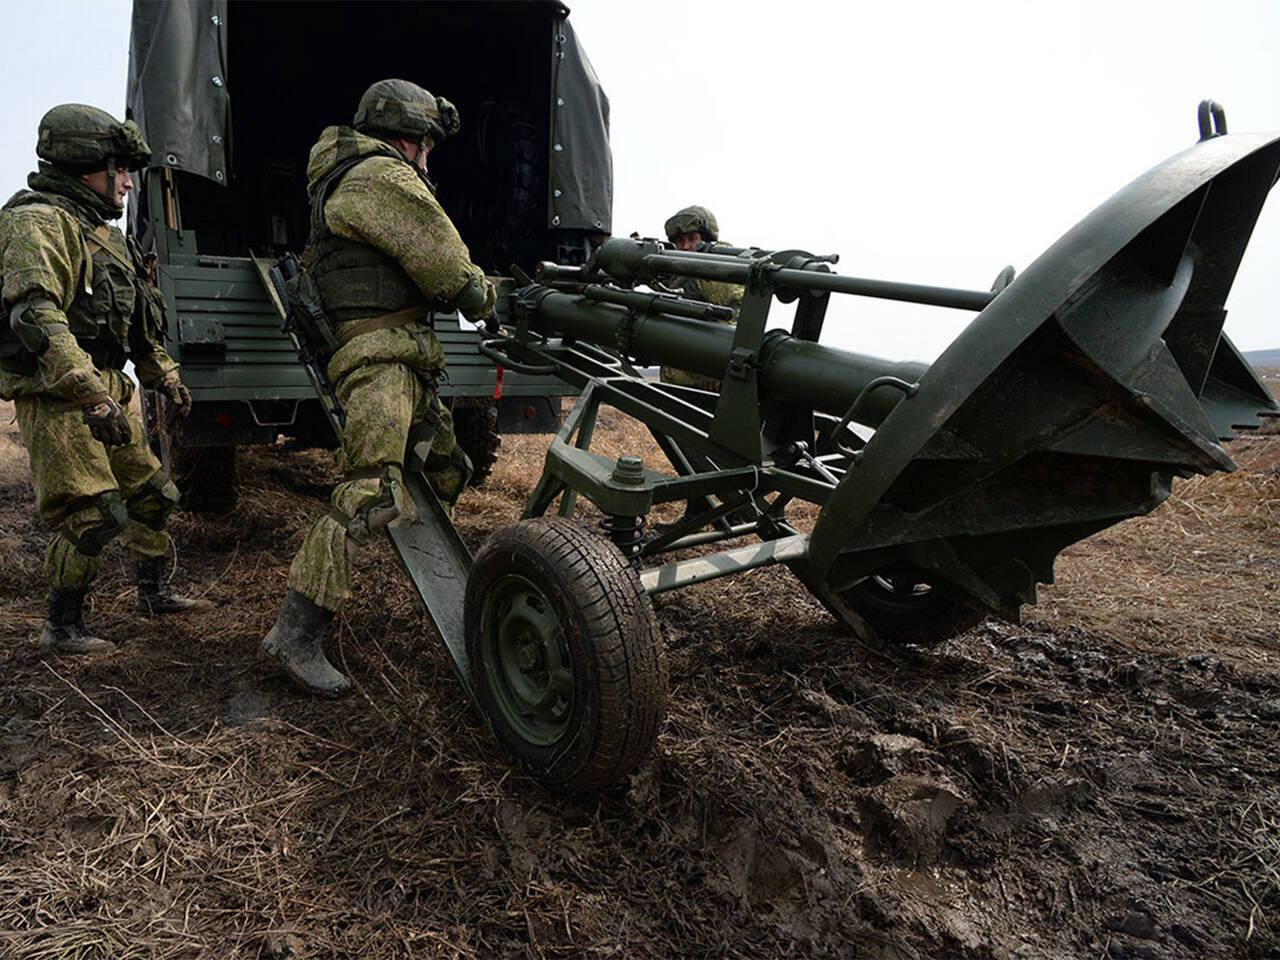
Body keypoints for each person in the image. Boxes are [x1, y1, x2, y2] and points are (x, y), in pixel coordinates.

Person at [260, 79, 495, 697]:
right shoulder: (378, 178)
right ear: (410, 138)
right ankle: (295, 634)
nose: (429, 158)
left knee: (449, 468)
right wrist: (488, 298)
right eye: (428, 145)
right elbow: (448, 266)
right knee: (368, 495)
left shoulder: (351, 178)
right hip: (380, 363)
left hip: (405, 360)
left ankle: (424, 578)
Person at [0, 104, 208, 656]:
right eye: (117, 168)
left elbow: (138, 319)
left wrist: (163, 372)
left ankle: (152, 595)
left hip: (111, 389)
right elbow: (36, 316)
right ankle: (61, 626)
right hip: (62, 396)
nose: (125, 181)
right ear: (82, 164)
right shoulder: (36, 222)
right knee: (94, 513)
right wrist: (89, 391)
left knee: (153, 497)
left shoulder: (104, 235)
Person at [659, 205, 744, 390]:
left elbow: (734, 322)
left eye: (692, 239)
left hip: (706, 381)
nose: (686, 247)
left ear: (705, 240)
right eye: (680, 241)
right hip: (682, 379)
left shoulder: (714, 269)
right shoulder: (678, 272)